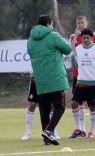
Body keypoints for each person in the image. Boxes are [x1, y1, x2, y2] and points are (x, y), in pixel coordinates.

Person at [27, 15, 72, 145]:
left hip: (40, 78)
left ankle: (46, 138)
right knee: (60, 106)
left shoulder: (30, 39)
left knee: (44, 108)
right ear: (49, 24)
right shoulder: (53, 35)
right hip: (55, 78)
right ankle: (50, 130)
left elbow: (30, 52)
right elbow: (68, 49)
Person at [69, 15, 95, 138]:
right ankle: (80, 129)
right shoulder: (74, 37)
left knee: (93, 105)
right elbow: (72, 52)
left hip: (93, 78)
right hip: (79, 77)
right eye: (78, 22)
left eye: (82, 22)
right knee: (76, 103)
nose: (80, 24)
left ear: (86, 23)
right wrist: (76, 36)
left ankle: (94, 128)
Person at [21, 72, 60, 141]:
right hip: (35, 78)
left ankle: (53, 132)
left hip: (48, 79)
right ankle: (27, 133)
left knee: (51, 105)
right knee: (32, 104)